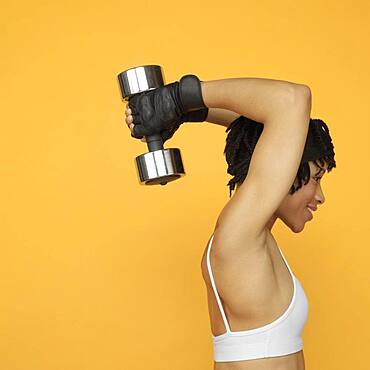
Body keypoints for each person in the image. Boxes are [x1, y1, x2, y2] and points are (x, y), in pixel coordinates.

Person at [124, 75, 336, 370]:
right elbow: (291, 100)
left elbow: (260, 127)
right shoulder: (240, 235)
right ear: (286, 170)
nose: (321, 196)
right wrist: (177, 98)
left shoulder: (257, 238)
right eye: (316, 178)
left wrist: (190, 113)